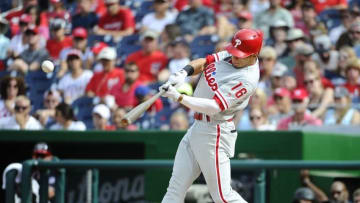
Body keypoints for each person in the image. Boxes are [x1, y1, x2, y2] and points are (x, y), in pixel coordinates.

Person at [159, 28, 263, 203]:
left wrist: (179, 97)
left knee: (223, 197)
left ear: (254, 55)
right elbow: (205, 62)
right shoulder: (233, 54)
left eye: (241, 55)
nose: (235, 57)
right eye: (234, 53)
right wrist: (183, 73)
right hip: (198, 128)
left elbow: (214, 107)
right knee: (175, 190)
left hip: (214, 132)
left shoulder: (247, 79)